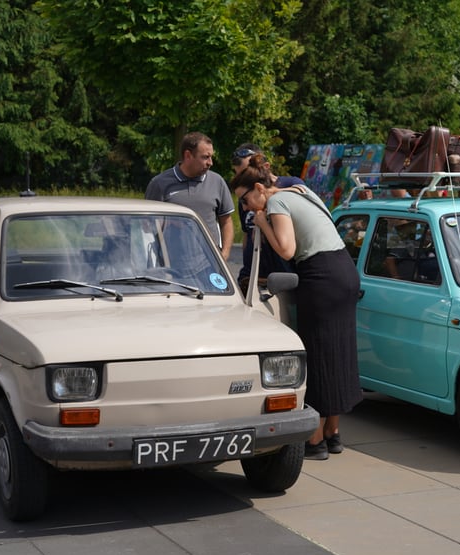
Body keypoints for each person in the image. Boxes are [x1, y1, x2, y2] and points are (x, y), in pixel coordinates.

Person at [231, 155, 362, 461]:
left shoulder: (275, 204)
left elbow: (287, 249)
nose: (247, 207)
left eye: (247, 199)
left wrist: (262, 222)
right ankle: (333, 434)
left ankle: (314, 441)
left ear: (260, 188)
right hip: (344, 270)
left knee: (316, 354)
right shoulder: (300, 192)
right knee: (339, 352)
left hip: (320, 275)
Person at [145, 132, 234, 260]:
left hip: (209, 264)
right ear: (188, 155)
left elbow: (226, 221)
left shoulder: (217, 181)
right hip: (171, 264)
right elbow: (147, 226)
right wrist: (172, 221)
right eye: (205, 157)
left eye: (211, 157)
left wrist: (224, 254)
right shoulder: (159, 184)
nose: (210, 163)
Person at [230, 143, 302, 294]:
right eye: (238, 175)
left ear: (265, 167)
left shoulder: (291, 184)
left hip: (281, 276)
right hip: (252, 275)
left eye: (245, 174)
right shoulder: (245, 195)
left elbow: (302, 194)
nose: (241, 181)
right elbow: (246, 232)